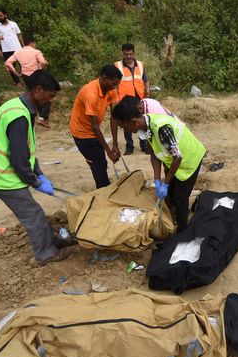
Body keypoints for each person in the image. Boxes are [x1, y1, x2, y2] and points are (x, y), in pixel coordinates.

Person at [0, 70, 72, 265]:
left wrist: (39, 173)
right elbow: (19, 160)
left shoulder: (20, 107)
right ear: (38, 90)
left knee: (33, 211)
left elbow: (26, 149)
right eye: (50, 96)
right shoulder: (19, 116)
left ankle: (52, 241)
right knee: (33, 213)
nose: (50, 101)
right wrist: (35, 182)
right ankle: (46, 254)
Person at [110, 99, 206, 233]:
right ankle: (174, 218)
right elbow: (154, 154)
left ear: (133, 122)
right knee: (171, 194)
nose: (124, 130)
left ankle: (183, 230)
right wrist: (157, 180)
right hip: (175, 160)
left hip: (190, 158)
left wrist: (165, 183)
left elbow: (177, 157)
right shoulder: (144, 127)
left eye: (123, 127)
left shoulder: (161, 128)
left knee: (180, 197)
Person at [69, 65, 122, 189]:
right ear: (103, 78)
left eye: (117, 84)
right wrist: (109, 151)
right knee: (98, 162)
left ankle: (103, 186)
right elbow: (94, 127)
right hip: (81, 133)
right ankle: (103, 191)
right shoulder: (90, 94)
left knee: (100, 161)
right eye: (113, 84)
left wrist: (115, 144)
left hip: (93, 131)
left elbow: (114, 117)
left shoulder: (111, 89)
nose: (115, 87)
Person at [112, 43, 151, 155]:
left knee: (141, 122)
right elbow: (114, 83)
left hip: (139, 98)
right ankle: (129, 147)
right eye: (126, 54)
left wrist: (147, 90)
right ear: (123, 53)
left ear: (134, 53)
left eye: (130, 54)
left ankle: (144, 146)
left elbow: (145, 80)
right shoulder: (117, 66)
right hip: (125, 99)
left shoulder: (140, 65)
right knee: (127, 123)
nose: (128, 57)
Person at [5, 35, 51, 125]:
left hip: (26, 77)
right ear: (32, 43)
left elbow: (8, 63)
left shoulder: (18, 53)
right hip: (37, 76)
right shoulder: (36, 52)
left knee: (33, 95)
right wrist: (44, 70)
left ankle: (33, 116)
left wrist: (16, 74)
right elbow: (42, 62)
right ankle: (42, 118)